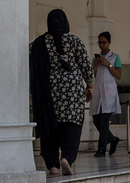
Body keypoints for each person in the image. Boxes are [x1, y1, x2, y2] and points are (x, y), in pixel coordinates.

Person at [30, 9, 94, 176]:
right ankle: (66, 158)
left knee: (50, 128)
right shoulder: (74, 40)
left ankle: (52, 165)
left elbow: (28, 59)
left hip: (49, 91)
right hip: (72, 90)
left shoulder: (39, 43)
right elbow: (86, 65)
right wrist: (90, 86)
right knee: (72, 125)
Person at [90, 31, 122, 157]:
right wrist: (96, 65)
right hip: (98, 93)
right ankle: (112, 139)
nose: (101, 45)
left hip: (109, 93)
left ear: (109, 42)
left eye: (104, 42)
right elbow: (92, 75)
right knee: (96, 120)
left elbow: (119, 75)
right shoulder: (95, 59)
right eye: (100, 42)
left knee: (104, 122)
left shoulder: (115, 57)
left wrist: (108, 64)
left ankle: (102, 148)